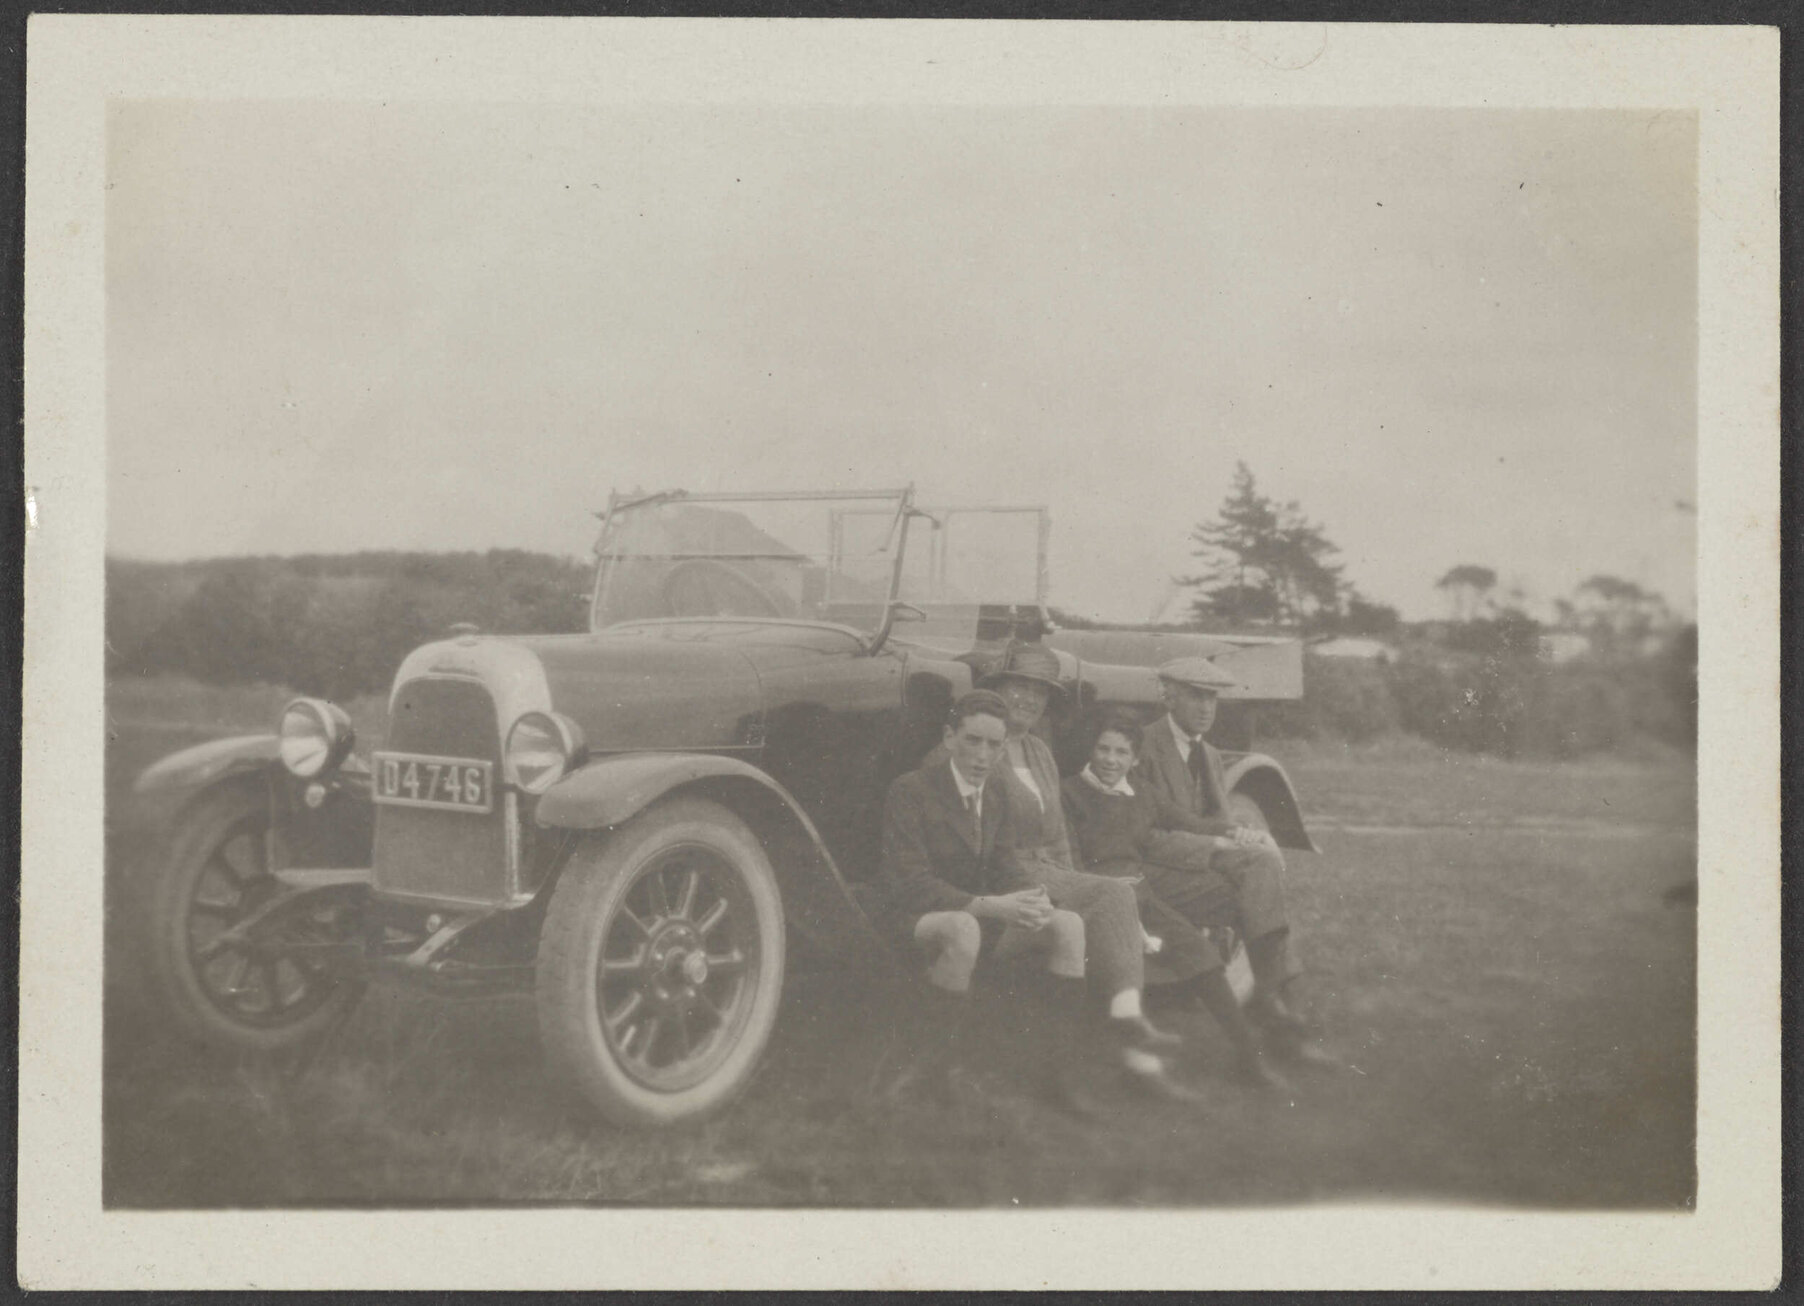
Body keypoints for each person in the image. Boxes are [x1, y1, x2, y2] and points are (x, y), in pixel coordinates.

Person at [884, 686, 1181, 1097]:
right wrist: (990, 906)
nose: (982, 755)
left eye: (993, 745)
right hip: (919, 916)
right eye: (972, 741)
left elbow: (1006, 864)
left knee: (1069, 925)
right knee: (964, 929)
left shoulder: (997, 791)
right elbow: (911, 883)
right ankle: (936, 1070)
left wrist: (1034, 898)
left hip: (985, 913)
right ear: (949, 738)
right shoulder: (912, 789)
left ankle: (1054, 1076)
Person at [969, 644, 1186, 1063]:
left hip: (1046, 870)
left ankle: (1129, 1034)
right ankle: (1127, 1026)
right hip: (1003, 875)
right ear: (997, 689)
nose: (1029, 699)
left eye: (1040, 692)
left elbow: (1057, 836)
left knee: (1107, 895)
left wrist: (1076, 883)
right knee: (1113, 895)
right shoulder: (981, 750)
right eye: (1020, 687)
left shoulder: (1038, 753)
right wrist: (1079, 888)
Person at [1061, 713, 1289, 1092]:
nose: (1110, 760)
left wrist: (1239, 833)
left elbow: (1190, 824)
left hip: (1140, 892)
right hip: (1099, 896)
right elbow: (1068, 857)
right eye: (1103, 749)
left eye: (1121, 752)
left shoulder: (1142, 793)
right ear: (1091, 750)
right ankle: (1140, 1072)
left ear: (1135, 760)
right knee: (1134, 962)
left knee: (1200, 954)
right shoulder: (1069, 793)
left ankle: (1250, 1058)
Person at [1134, 655, 1334, 1067]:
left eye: (1212, 699)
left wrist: (1240, 835)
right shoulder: (1143, 747)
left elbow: (1222, 822)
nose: (1206, 708)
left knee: (1260, 880)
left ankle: (1275, 1013)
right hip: (1151, 872)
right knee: (1260, 889)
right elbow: (1142, 839)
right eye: (1196, 697)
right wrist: (1215, 848)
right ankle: (1278, 1019)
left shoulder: (1206, 753)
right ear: (1167, 697)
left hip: (1195, 870)